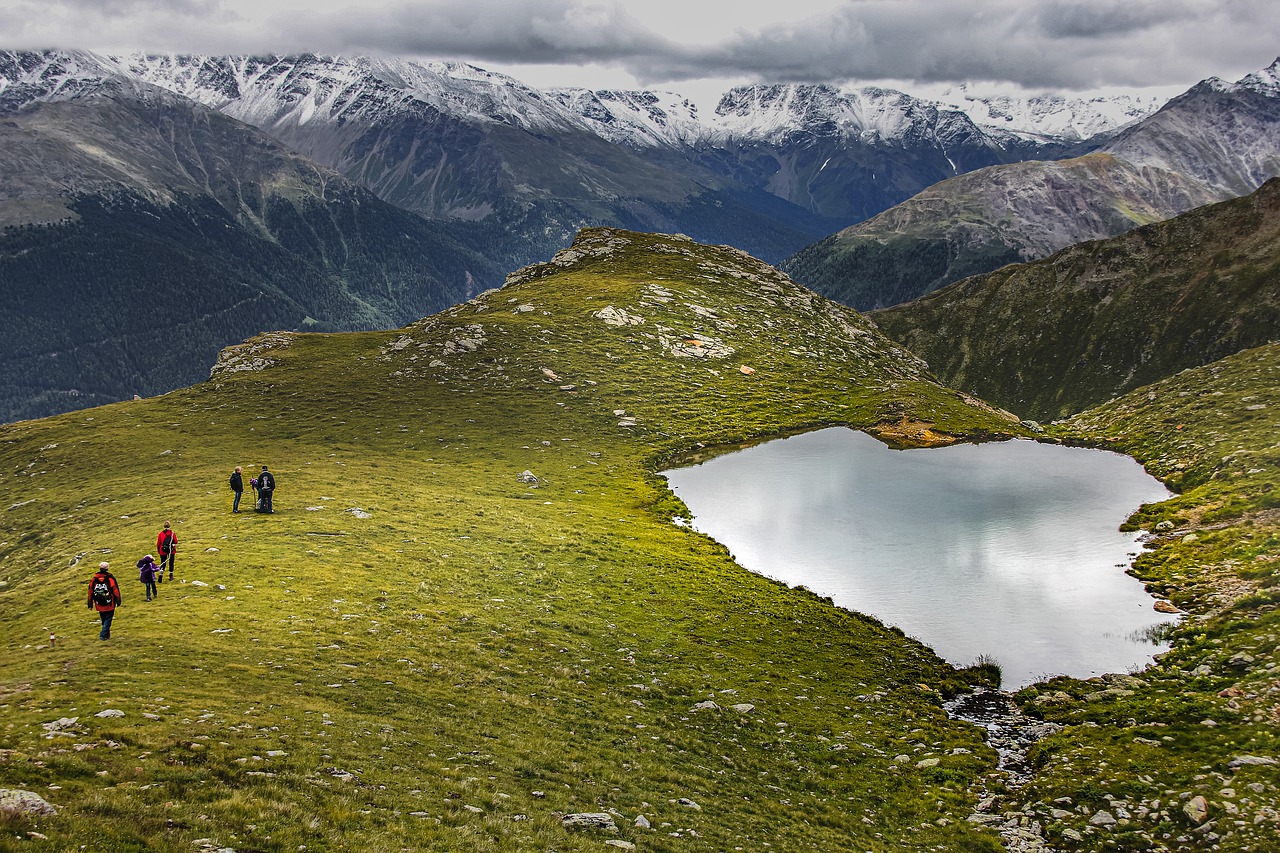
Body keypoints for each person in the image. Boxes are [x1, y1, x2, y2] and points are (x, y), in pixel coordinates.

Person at [86, 562, 122, 640]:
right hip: (109, 603)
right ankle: (103, 634)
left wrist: (90, 603)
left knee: (103, 619)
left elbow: (90, 591)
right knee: (108, 619)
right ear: (107, 568)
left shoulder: (94, 579)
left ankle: (106, 635)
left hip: (99, 604)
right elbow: (115, 590)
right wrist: (118, 600)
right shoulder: (110, 578)